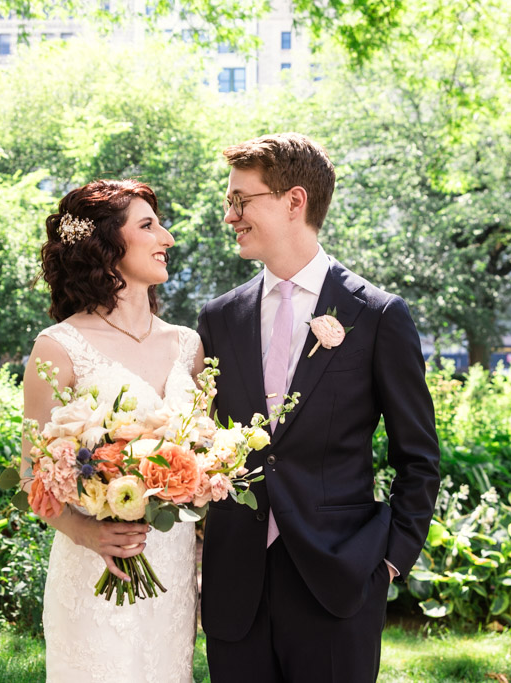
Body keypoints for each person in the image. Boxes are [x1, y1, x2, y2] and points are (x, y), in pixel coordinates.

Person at [197, 133, 441, 683]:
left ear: (294, 201)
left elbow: (419, 456)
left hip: (340, 582)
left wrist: (390, 560)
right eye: (229, 202)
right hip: (238, 584)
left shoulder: (377, 315)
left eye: (241, 200)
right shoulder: (218, 319)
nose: (230, 215)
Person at [21, 179, 203, 683]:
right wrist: (89, 532)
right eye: (148, 226)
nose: (166, 238)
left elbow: (205, 454)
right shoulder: (59, 346)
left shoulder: (188, 346)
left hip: (172, 561)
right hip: (93, 569)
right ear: (106, 247)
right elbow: (31, 475)